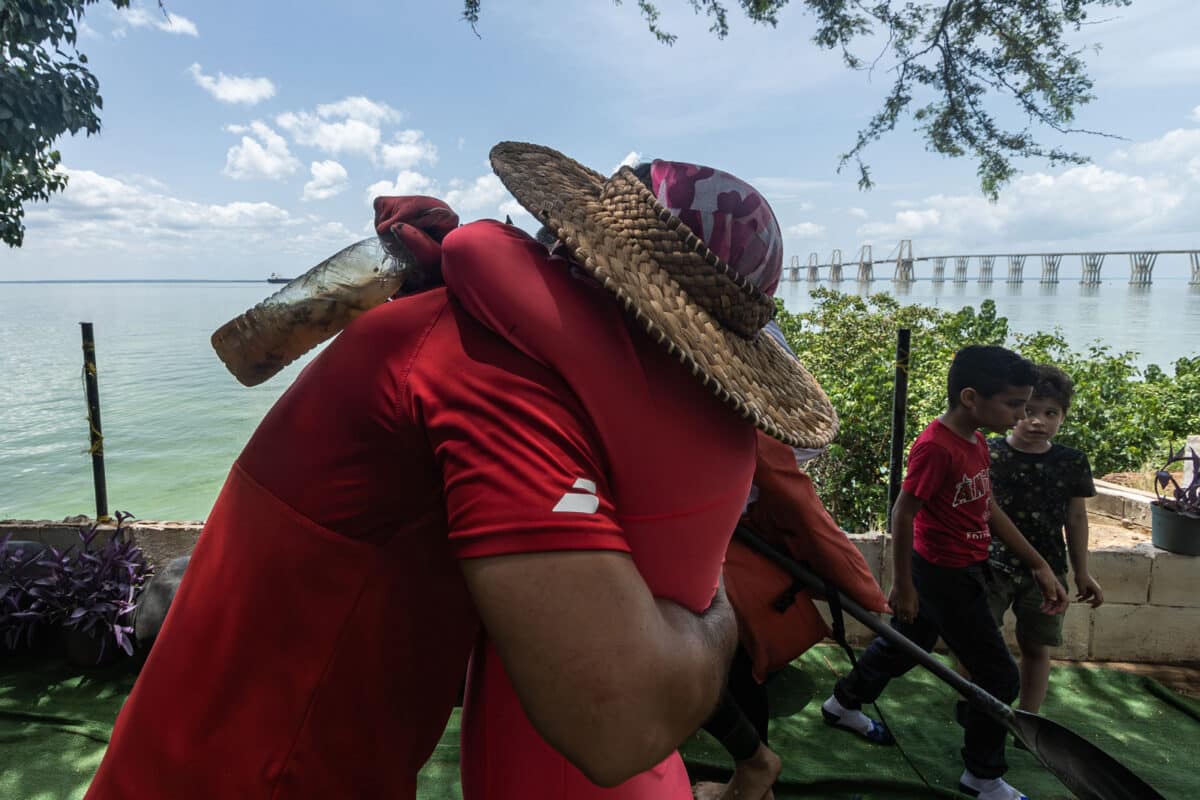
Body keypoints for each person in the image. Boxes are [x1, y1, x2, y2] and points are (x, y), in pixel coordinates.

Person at [83, 142, 837, 800]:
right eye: (697, 361)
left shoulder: (457, 330)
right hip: (261, 779)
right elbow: (616, 720)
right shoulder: (493, 383)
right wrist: (714, 611)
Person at [441, 151, 836, 799]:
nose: (558, 255)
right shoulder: (724, 434)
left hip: (555, 754)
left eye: (570, 248)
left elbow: (474, 250)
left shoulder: (610, 399)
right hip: (650, 748)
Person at [819, 345, 1069, 800]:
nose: (1020, 415)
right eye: (1014, 404)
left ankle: (841, 704)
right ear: (971, 397)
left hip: (964, 568)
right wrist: (905, 585)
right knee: (999, 678)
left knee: (902, 647)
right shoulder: (937, 447)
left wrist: (1039, 564)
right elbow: (902, 512)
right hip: (942, 575)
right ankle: (982, 776)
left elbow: (987, 508)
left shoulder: (975, 442)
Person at [694, 418, 891, 800]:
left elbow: (790, 488)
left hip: (713, 549)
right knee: (727, 664)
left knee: (719, 664)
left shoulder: (748, 429)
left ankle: (755, 770)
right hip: (708, 538)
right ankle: (755, 772)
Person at [986, 363, 1103, 717]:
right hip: (990, 563)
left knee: (1037, 646)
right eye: (1029, 411)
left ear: (1063, 416)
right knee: (980, 642)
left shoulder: (1071, 462)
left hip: (1048, 569)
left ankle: (1028, 718)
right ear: (1014, 410)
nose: (1037, 421)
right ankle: (979, 708)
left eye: (1050, 413)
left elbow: (1076, 518)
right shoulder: (989, 454)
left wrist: (1082, 573)